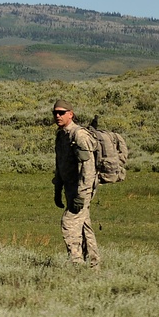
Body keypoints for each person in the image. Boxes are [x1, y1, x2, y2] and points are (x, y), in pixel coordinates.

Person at [51, 99, 100, 267]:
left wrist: (82, 194)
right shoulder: (61, 135)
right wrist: (57, 188)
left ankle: (76, 265)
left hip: (81, 189)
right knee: (85, 227)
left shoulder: (79, 135)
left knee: (69, 223)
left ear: (71, 114)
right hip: (70, 188)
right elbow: (60, 164)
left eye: (61, 112)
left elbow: (88, 168)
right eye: (55, 113)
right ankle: (94, 267)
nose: (58, 116)